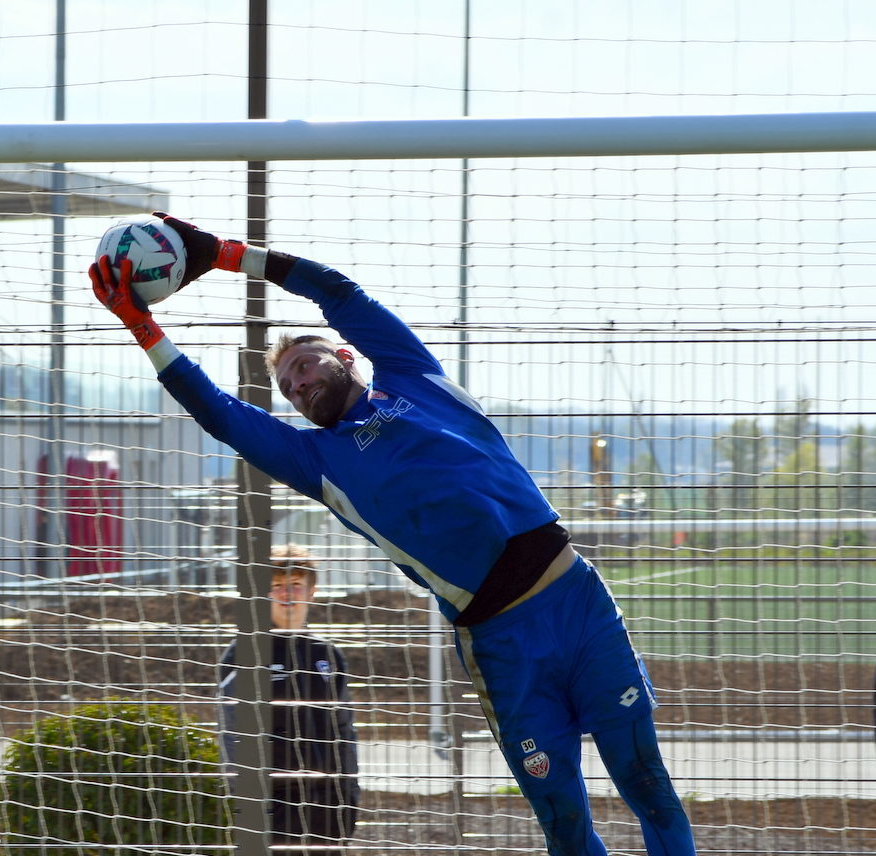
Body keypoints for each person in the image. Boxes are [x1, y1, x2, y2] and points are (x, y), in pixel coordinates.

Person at [89, 214, 697, 856]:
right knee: (564, 821)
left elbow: (338, 293)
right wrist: (141, 324)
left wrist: (227, 255)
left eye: (304, 363)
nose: (297, 384)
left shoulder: (415, 378)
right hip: (498, 643)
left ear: (345, 355)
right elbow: (219, 412)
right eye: (287, 386)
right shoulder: (315, 461)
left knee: (643, 778)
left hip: (575, 604)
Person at [218, 546, 359, 853]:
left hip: (327, 804)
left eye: (295, 584)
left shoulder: (327, 654)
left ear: (312, 591)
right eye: (277, 587)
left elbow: (345, 730)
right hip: (271, 806)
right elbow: (232, 734)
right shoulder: (246, 652)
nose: (287, 594)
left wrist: (350, 794)